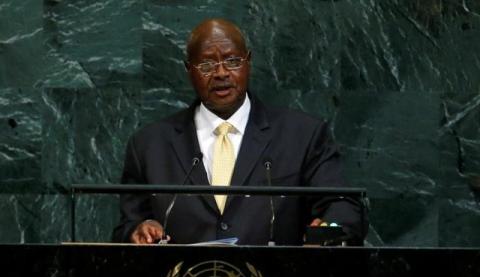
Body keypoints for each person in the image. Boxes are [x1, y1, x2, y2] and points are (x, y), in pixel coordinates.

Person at [112, 18, 367, 245]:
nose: (221, 73)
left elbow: (342, 206)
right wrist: (138, 230)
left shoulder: (303, 135)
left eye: (232, 61)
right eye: (207, 64)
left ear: (248, 62)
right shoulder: (149, 144)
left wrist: (328, 232)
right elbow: (126, 226)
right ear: (189, 70)